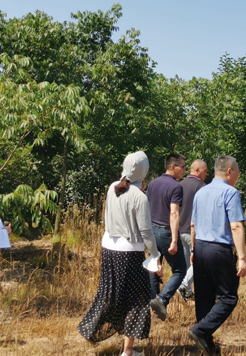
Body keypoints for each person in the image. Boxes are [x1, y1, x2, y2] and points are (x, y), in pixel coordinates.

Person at [78, 151, 161, 356]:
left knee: (110, 294)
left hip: (108, 247)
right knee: (137, 300)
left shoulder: (112, 188)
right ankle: (128, 351)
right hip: (129, 252)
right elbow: (146, 232)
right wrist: (155, 255)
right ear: (145, 172)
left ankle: (91, 328)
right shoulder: (139, 196)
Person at [188, 155, 246, 356]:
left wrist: (194, 250)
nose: (237, 177)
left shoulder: (201, 192)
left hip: (202, 247)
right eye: (237, 173)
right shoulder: (230, 193)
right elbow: (236, 225)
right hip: (219, 249)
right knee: (228, 297)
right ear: (229, 171)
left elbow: (193, 225)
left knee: (204, 297)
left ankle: (207, 343)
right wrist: (242, 257)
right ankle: (200, 330)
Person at [146, 153, 186, 321]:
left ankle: (153, 303)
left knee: (154, 266)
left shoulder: (152, 183)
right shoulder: (176, 187)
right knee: (180, 270)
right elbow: (174, 214)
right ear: (172, 167)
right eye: (182, 167)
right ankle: (162, 299)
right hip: (165, 233)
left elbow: (146, 209)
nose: (183, 170)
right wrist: (175, 240)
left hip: (151, 231)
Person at [177, 159, 208, 302]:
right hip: (193, 231)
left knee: (187, 264)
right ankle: (183, 285)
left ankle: (187, 292)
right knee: (199, 262)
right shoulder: (201, 187)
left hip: (180, 230)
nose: (206, 174)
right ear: (197, 170)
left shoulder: (179, 185)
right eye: (205, 171)